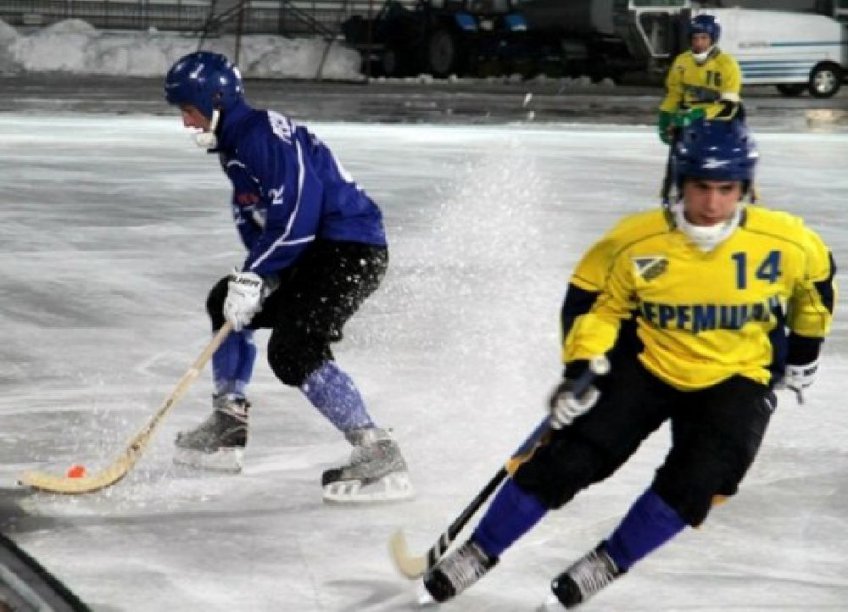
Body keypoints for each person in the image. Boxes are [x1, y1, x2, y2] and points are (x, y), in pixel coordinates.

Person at [419, 118, 836, 608]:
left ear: (746, 188)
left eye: (728, 189)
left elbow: (815, 290)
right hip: (648, 361)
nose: (713, 203)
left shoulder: (787, 242)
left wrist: (805, 354)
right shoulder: (635, 242)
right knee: (572, 456)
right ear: (680, 182)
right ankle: (479, 550)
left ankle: (607, 562)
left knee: (701, 479)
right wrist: (581, 368)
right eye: (702, 187)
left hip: (737, 374)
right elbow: (596, 307)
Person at [162, 51, 413, 503]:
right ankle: (227, 424)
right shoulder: (237, 144)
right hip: (314, 252)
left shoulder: (261, 135)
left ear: (215, 100)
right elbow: (256, 217)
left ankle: (378, 451)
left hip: (349, 248)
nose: (186, 123)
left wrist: (258, 274)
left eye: (189, 110)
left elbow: (298, 212)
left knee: (295, 349)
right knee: (227, 302)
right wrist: (254, 279)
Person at [658, 14, 744, 204]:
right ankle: (673, 198)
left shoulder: (727, 65)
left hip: (720, 123)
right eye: (695, 38)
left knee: (726, 166)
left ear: (713, 39)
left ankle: (742, 196)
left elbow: (730, 105)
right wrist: (665, 115)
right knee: (677, 162)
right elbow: (674, 93)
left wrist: (700, 114)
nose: (699, 43)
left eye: (704, 38)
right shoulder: (682, 62)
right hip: (687, 119)